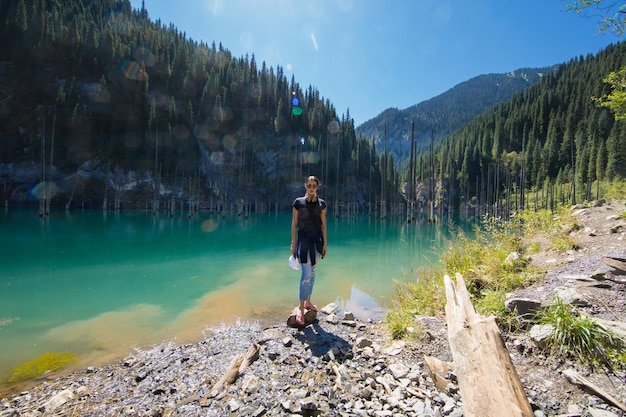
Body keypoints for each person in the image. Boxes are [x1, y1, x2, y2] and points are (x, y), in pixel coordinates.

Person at [290, 175, 328, 327]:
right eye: (309, 185)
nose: (311, 188)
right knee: (305, 274)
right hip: (303, 242)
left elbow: (323, 225)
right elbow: (294, 224)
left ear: (317, 187)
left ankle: (308, 302)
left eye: (314, 186)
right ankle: (300, 309)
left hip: (317, 243)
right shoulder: (298, 203)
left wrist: (325, 243)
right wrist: (293, 242)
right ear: (305, 186)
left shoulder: (321, 204)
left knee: (312, 272)